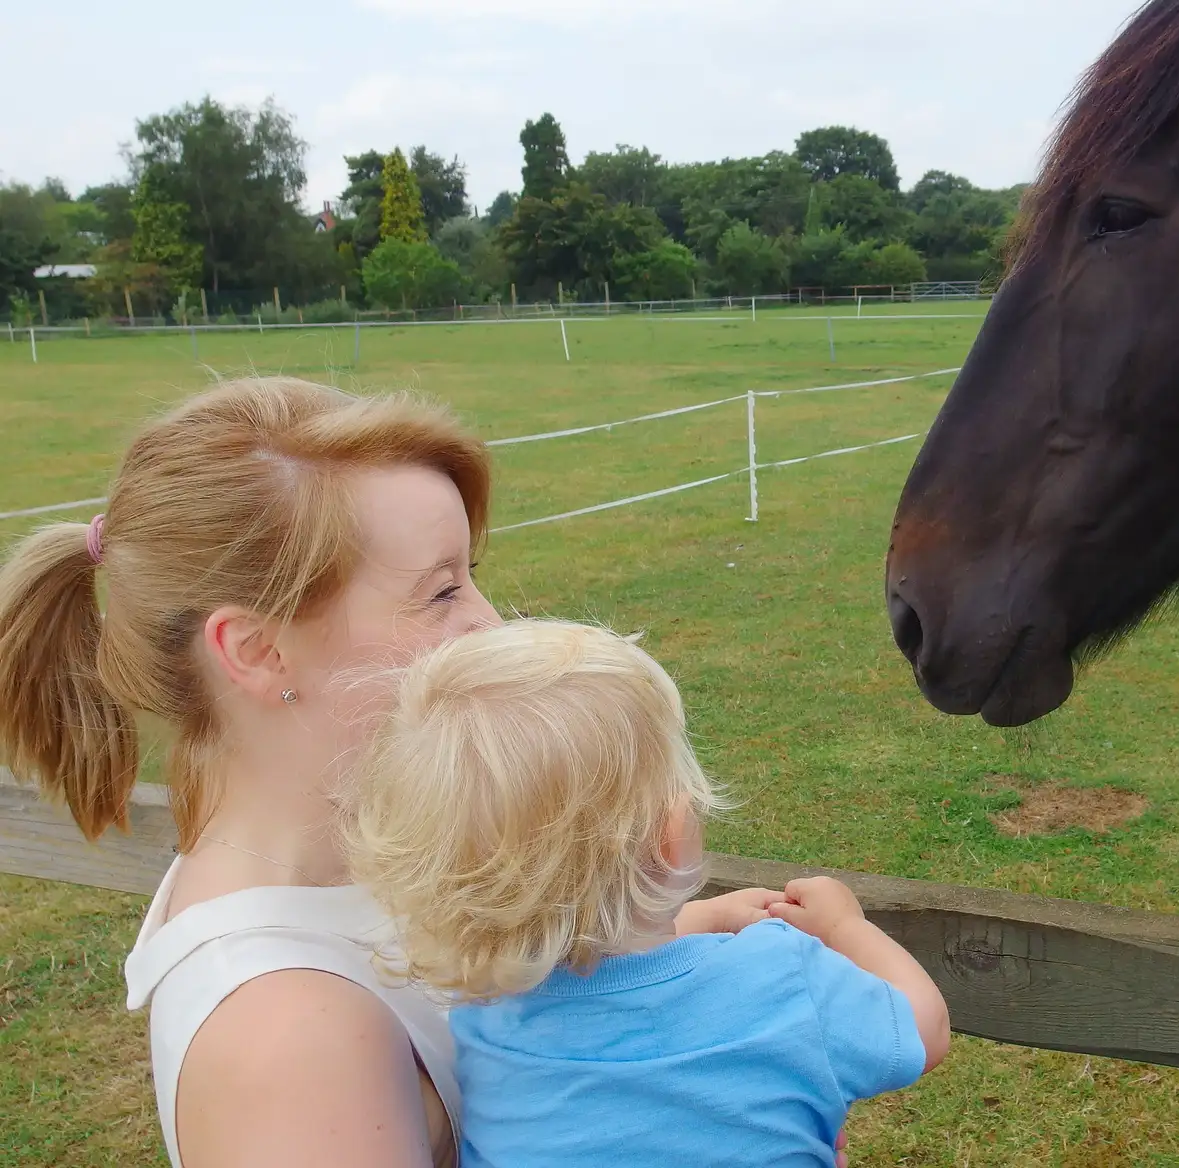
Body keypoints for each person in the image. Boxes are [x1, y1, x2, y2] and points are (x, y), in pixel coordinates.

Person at [0, 376, 787, 1168]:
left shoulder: (372, 857)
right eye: (442, 591)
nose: (487, 621)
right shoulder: (289, 1032)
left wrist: (682, 930)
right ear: (256, 650)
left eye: (471, 573)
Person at [343, 617, 951, 1168]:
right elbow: (922, 1032)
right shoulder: (780, 976)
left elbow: (599, 964)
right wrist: (845, 928)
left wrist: (704, 917)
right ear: (672, 835)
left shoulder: (491, 1020)